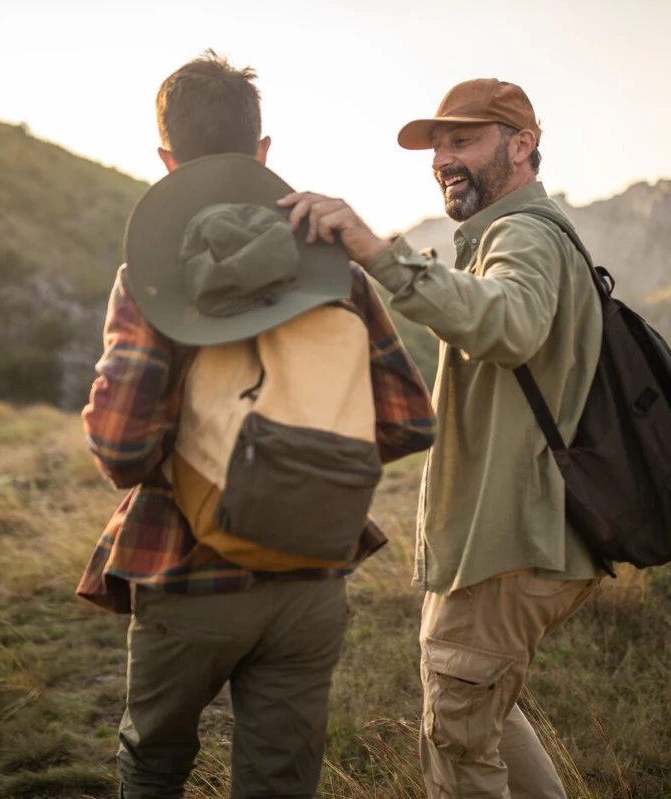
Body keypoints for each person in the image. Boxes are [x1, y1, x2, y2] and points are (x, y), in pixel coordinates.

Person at [76, 51, 435, 799]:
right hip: (314, 576)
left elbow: (120, 446)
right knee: (279, 781)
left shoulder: (152, 278)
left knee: (154, 766)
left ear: (166, 160)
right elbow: (408, 422)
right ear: (262, 150)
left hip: (188, 572)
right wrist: (304, 457)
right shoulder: (338, 273)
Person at [281, 78, 605, 798]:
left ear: (522, 146)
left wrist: (378, 253)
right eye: (437, 147)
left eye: (463, 140)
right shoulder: (511, 235)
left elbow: (510, 323)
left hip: (507, 540)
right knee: (481, 717)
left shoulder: (521, 233)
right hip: (516, 536)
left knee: (459, 742)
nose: (442, 159)